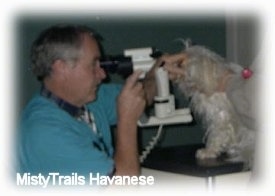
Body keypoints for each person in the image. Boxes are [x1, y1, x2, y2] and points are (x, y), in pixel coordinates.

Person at [17, 24, 162, 178]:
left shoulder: (89, 99)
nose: (103, 74)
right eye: (93, 64)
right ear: (61, 68)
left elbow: (142, 95)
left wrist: (159, 71)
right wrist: (127, 121)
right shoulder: (46, 134)